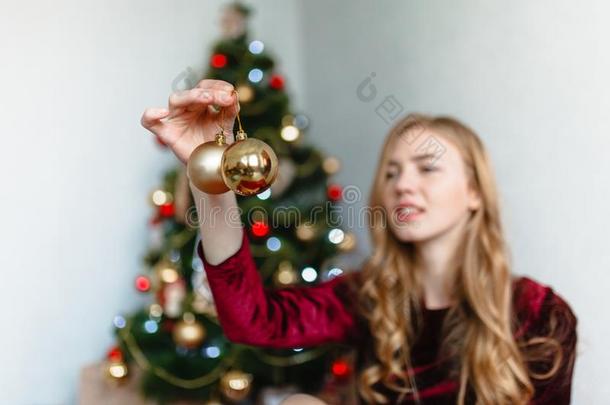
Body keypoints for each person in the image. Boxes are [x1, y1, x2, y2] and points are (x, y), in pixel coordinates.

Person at [141, 79, 578, 404]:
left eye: (427, 167)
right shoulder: (368, 296)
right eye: (391, 172)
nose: (402, 184)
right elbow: (253, 320)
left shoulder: (540, 316)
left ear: (475, 193)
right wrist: (212, 176)